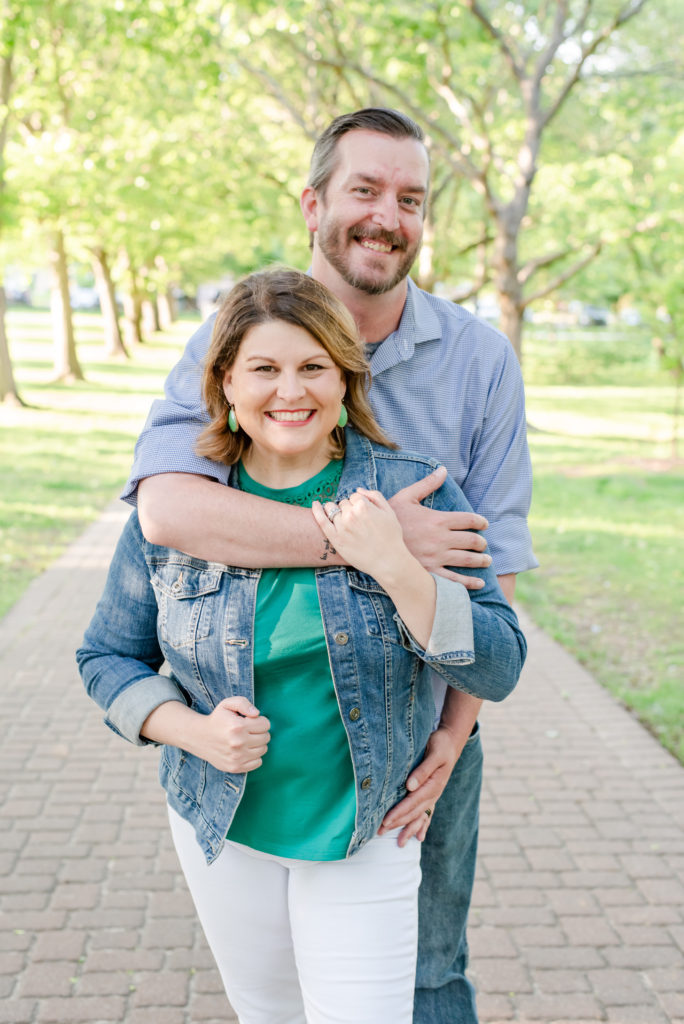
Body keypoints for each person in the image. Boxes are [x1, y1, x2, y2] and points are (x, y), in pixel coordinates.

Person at [122, 108, 538, 1022]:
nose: (387, 216)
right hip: (260, 739)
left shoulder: (478, 361)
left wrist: (452, 739)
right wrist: (365, 540)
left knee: (426, 976)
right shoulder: (235, 332)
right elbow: (166, 506)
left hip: (423, 735)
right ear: (313, 204)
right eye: (365, 190)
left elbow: (497, 570)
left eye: (411, 199)